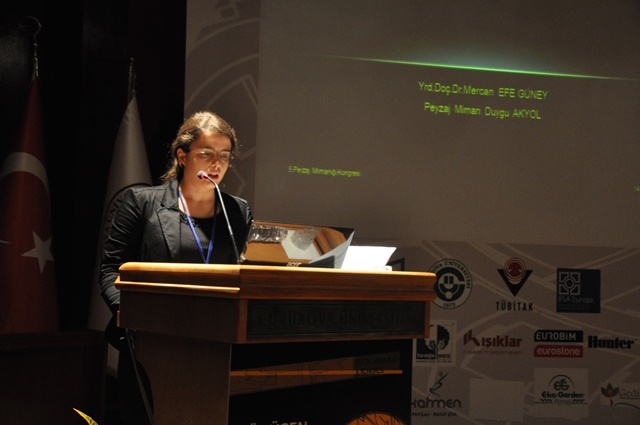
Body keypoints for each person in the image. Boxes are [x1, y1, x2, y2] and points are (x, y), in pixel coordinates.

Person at [99, 111, 253, 424]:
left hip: (216, 342)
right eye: (206, 153)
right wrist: (135, 313)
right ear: (182, 156)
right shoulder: (142, 203)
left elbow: (243, 274)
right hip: (151, 339)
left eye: (224, 155)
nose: (217, 163)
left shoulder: (237, 212)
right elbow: (111, 270)